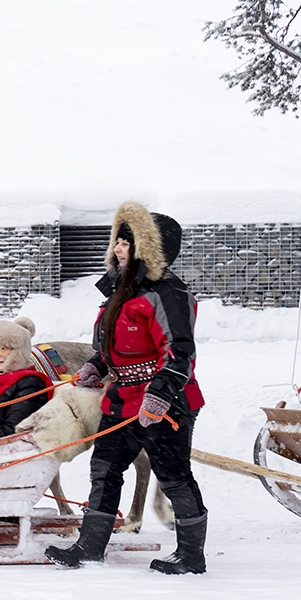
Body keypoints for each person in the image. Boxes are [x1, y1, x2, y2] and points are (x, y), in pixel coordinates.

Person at [46, 201, 208, 574]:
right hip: (122, 398)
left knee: (173, 473)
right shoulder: (121, 293)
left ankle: (191, 555)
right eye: (117, 241)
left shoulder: (168, 294)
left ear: (148, 248)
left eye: (126, 242)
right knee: (105, 468)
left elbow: (179, 351)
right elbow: (114, 346)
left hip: (167, 400)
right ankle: (89, 547)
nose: (117, 248)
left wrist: (162, 394)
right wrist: (95, 365)